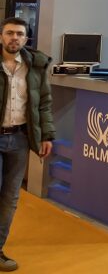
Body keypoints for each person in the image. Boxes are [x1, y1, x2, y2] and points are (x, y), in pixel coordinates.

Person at [0, 17, 54, 272]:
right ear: (1, 36)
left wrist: (46, 135)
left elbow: (44, 103)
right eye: (10, 33)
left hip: (20, 138)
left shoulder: (36, 66)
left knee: (9, 198)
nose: (15, 38)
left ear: (26, 38)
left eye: (20, 34)